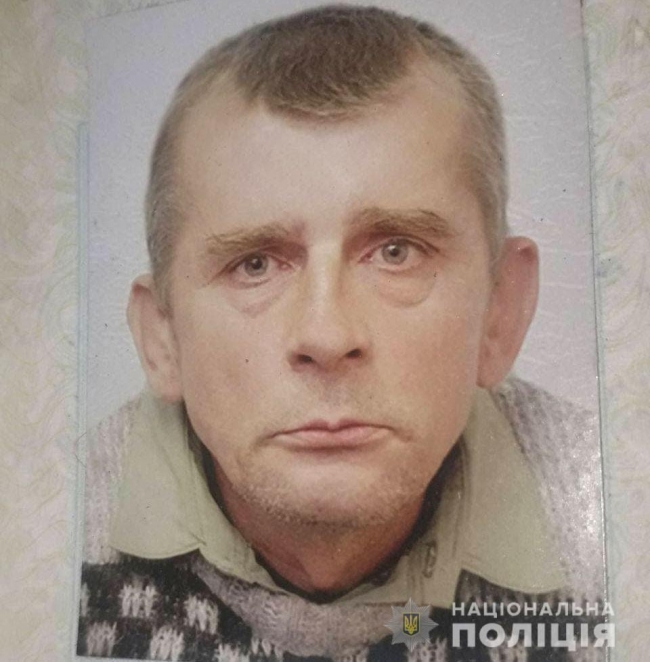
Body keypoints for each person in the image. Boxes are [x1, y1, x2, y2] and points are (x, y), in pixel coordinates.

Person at [77, 5, 605, 661]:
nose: (327, 336)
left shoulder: (622, 526)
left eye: (396, 253)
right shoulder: (38, 541)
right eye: (255, 264)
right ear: (162, 340)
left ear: (501, 311)